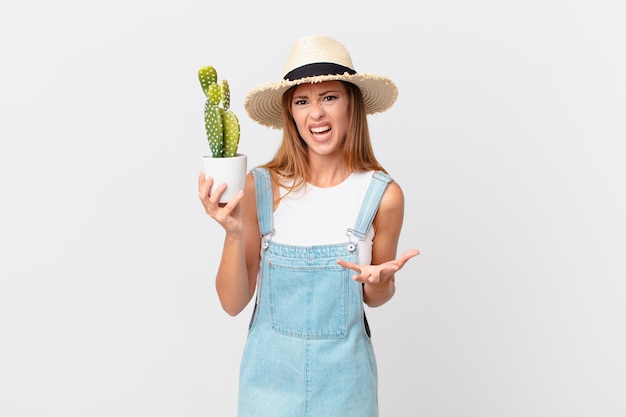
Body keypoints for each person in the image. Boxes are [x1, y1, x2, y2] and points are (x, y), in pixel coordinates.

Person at [198, 34, 419, 417]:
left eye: (329, 97)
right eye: (302, 101)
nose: (315, 114)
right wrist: (234, 234)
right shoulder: (260, 188)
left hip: (346, 389)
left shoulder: (383, 195)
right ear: (291, 113)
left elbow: (376, 296)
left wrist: (381, 282)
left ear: (352, 104)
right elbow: (232, 304)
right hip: (267, 389)